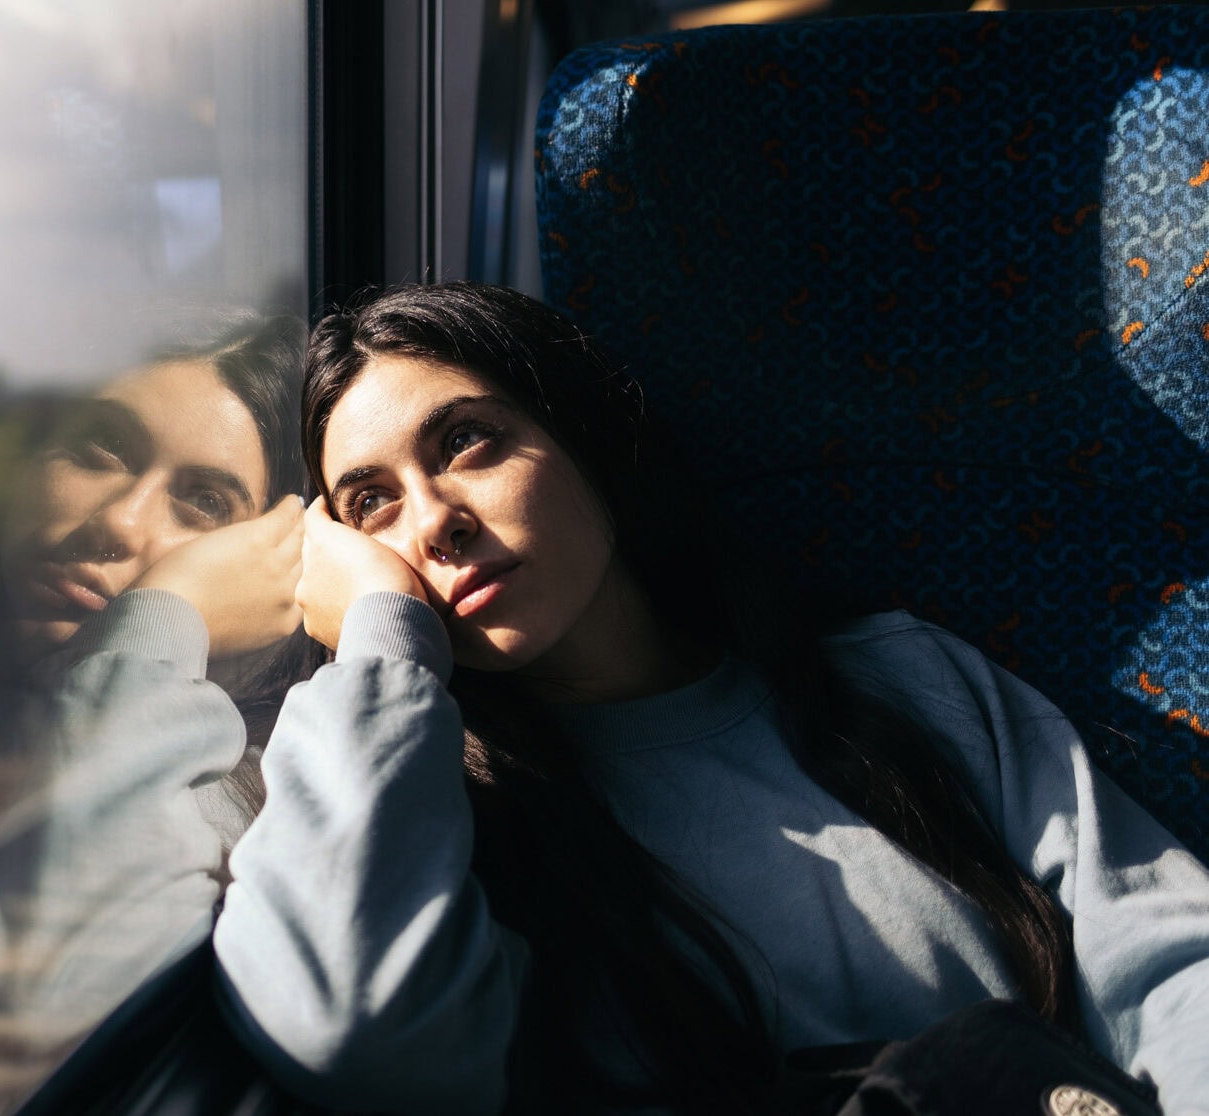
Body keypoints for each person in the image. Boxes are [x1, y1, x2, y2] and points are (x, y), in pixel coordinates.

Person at [202, 282, 1209, 1116]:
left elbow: (1173, 961)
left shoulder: (903, 683)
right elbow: (351, 1021)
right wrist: (384, 640)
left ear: (586, 438)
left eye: (467, 442)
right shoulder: (435, 816)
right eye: (371, 503)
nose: (435, 523)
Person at [0, 312, 315, 1039]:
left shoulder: (243, 816)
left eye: (205, 502)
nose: (121, 523)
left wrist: (169, 608)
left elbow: (75, 1005)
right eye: (101, 448)